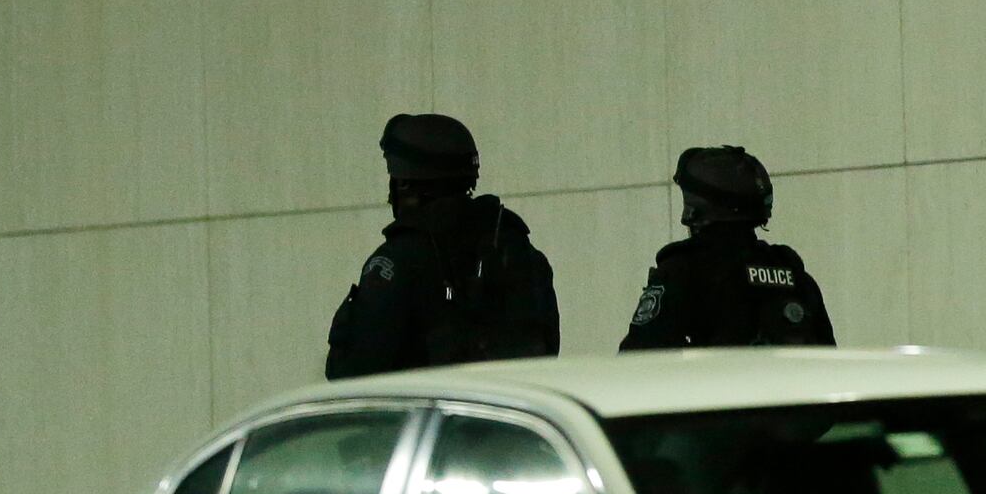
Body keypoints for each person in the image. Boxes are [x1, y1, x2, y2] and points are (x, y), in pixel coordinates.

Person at [324, 112, 561, 379]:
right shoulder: (515, 247)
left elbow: (353, 370)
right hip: (510, 404)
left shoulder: (397, 261)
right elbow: (545, 350)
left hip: (429, 405)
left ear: (405, 184)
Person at [620, 145, 835, 350]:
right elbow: (827, 362)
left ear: (696, 212)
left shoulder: (683, 271)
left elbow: (637, 359)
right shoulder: (793, 274)